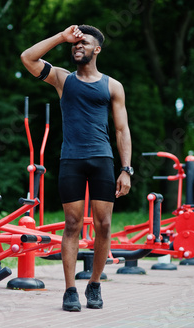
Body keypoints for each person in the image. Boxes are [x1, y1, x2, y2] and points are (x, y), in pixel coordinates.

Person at [21, 25, 132, 311]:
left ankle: (94, 284)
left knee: (103, 225)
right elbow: (28, 58)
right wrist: (61, 37)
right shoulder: (62, 79)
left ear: (97, 50)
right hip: (71, 159)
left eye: (85, 43)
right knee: (72, 224)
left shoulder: (112, 86)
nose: (77, 46)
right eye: (76, 43)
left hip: (102, 160)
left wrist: (126, 169)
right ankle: (70, 290)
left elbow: (121, 130)